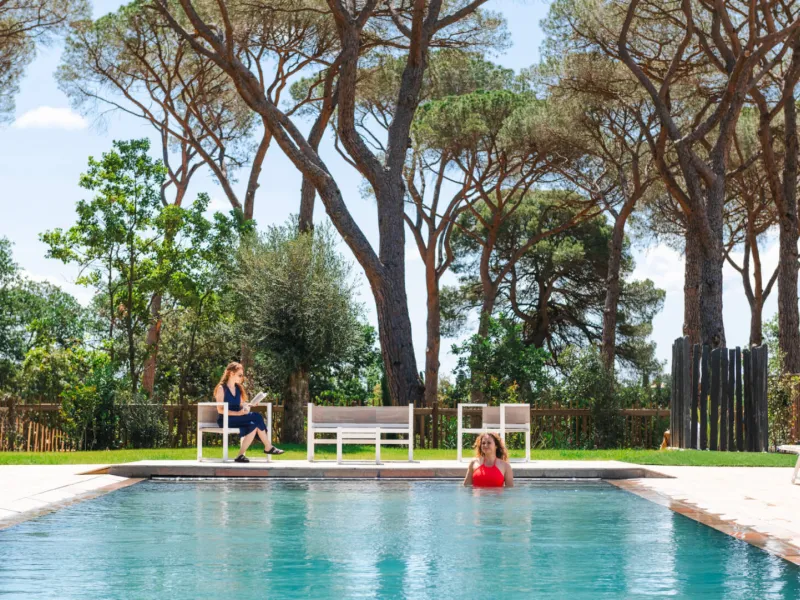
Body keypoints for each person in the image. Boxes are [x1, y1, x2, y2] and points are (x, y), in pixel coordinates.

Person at [215, 362, 284, 463]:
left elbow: (240, 405)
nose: (242, 377)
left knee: (254, 424)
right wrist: (238, 414)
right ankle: (267, 445)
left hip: (237, 418)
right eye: (240, 375)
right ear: (231, 373)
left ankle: (240, 456)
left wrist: (250, 405)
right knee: (256, 416)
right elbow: (220, 409)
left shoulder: (238, 389)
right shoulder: (222, 389)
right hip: (226, 420)